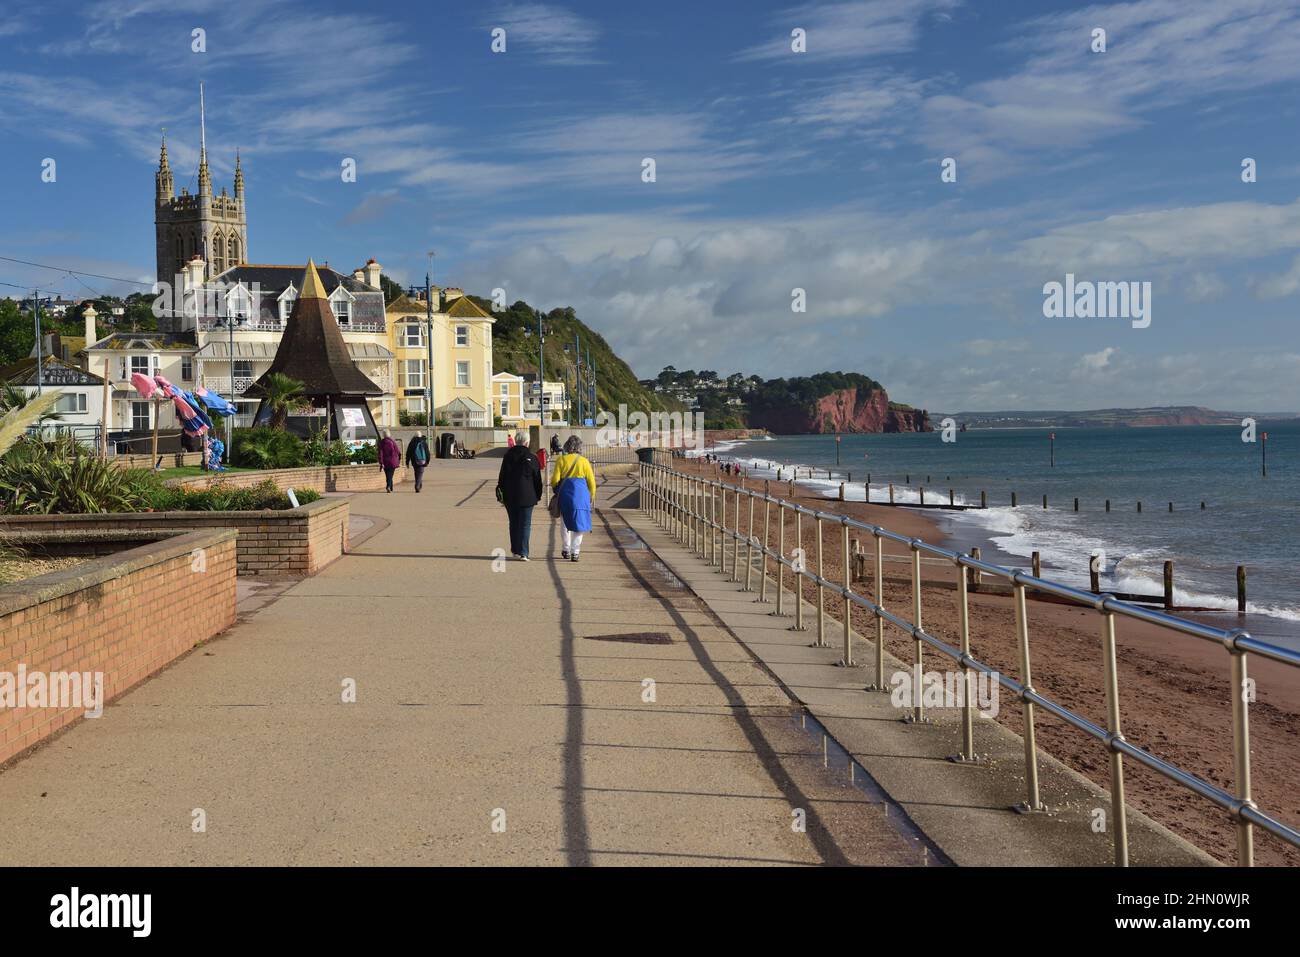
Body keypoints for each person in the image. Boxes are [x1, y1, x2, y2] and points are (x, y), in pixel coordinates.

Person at [497, 431, 542, 561]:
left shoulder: (507, 456)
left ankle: (515, 550)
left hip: (510, 495)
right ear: (527, 442)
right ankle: (524, 552)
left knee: (514, 523)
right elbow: (537, 479)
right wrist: (538, 495)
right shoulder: (532, 457)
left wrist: (501, 493)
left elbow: (502, 476)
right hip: (528, 496)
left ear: (516, 441)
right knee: (525, 524)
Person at [551, 435, 596, 562]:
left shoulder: (561, 460)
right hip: (582, 494)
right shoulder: (584, 461)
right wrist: (592, 495)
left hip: (566, 494)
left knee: (565, 523)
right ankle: (575, 552)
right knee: (580, 524)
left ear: (566, 446)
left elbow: (555, 479)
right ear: (579, 447)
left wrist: (555, 488)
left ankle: (566, 549)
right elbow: (591, 482)